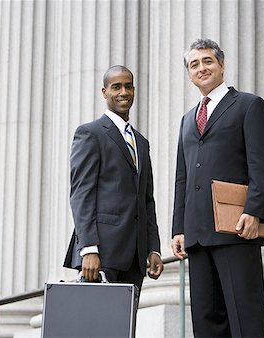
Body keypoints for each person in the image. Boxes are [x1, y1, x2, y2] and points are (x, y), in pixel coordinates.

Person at [171, 38, 264, 337]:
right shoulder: (187, 120)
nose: (201, 68)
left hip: (236, 228)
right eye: (194, 64)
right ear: (189, 74)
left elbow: (261, 162)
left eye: (207, 61)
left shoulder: (249, 105)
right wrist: (179, 227)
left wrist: (254, 211)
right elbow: (182, 176)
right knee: (206, 319)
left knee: (245, 315)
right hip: (198, 235)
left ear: (222, 65)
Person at [64, 65, 164, 292]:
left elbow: (147, 200)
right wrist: (88, 248)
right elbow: (81, 194)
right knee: (99, 326)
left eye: (129, 86)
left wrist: (153, 248)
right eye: (116, 87)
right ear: (104, 92)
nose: (124, 92)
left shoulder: (141, 142)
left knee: (127, 325)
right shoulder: (90, 133)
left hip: (135, 257)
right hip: (101, 254)